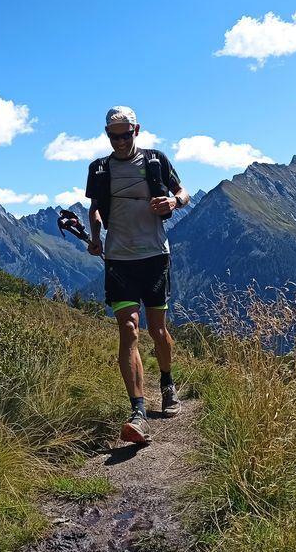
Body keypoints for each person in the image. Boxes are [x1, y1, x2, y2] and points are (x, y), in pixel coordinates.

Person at [84, 106, 191, 444]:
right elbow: (95, 206)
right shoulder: (99, 169)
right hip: (119, 259)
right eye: (113, 135)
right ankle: (139, 412)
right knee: (129, 329)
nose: (119, 141)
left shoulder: (156, 160)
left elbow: (183, 193)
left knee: (158, 331)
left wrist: (174, 204)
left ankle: (167, 381)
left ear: (136, 130)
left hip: (155, 256)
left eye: (125, 134)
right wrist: (95, 232)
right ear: (107, 135)